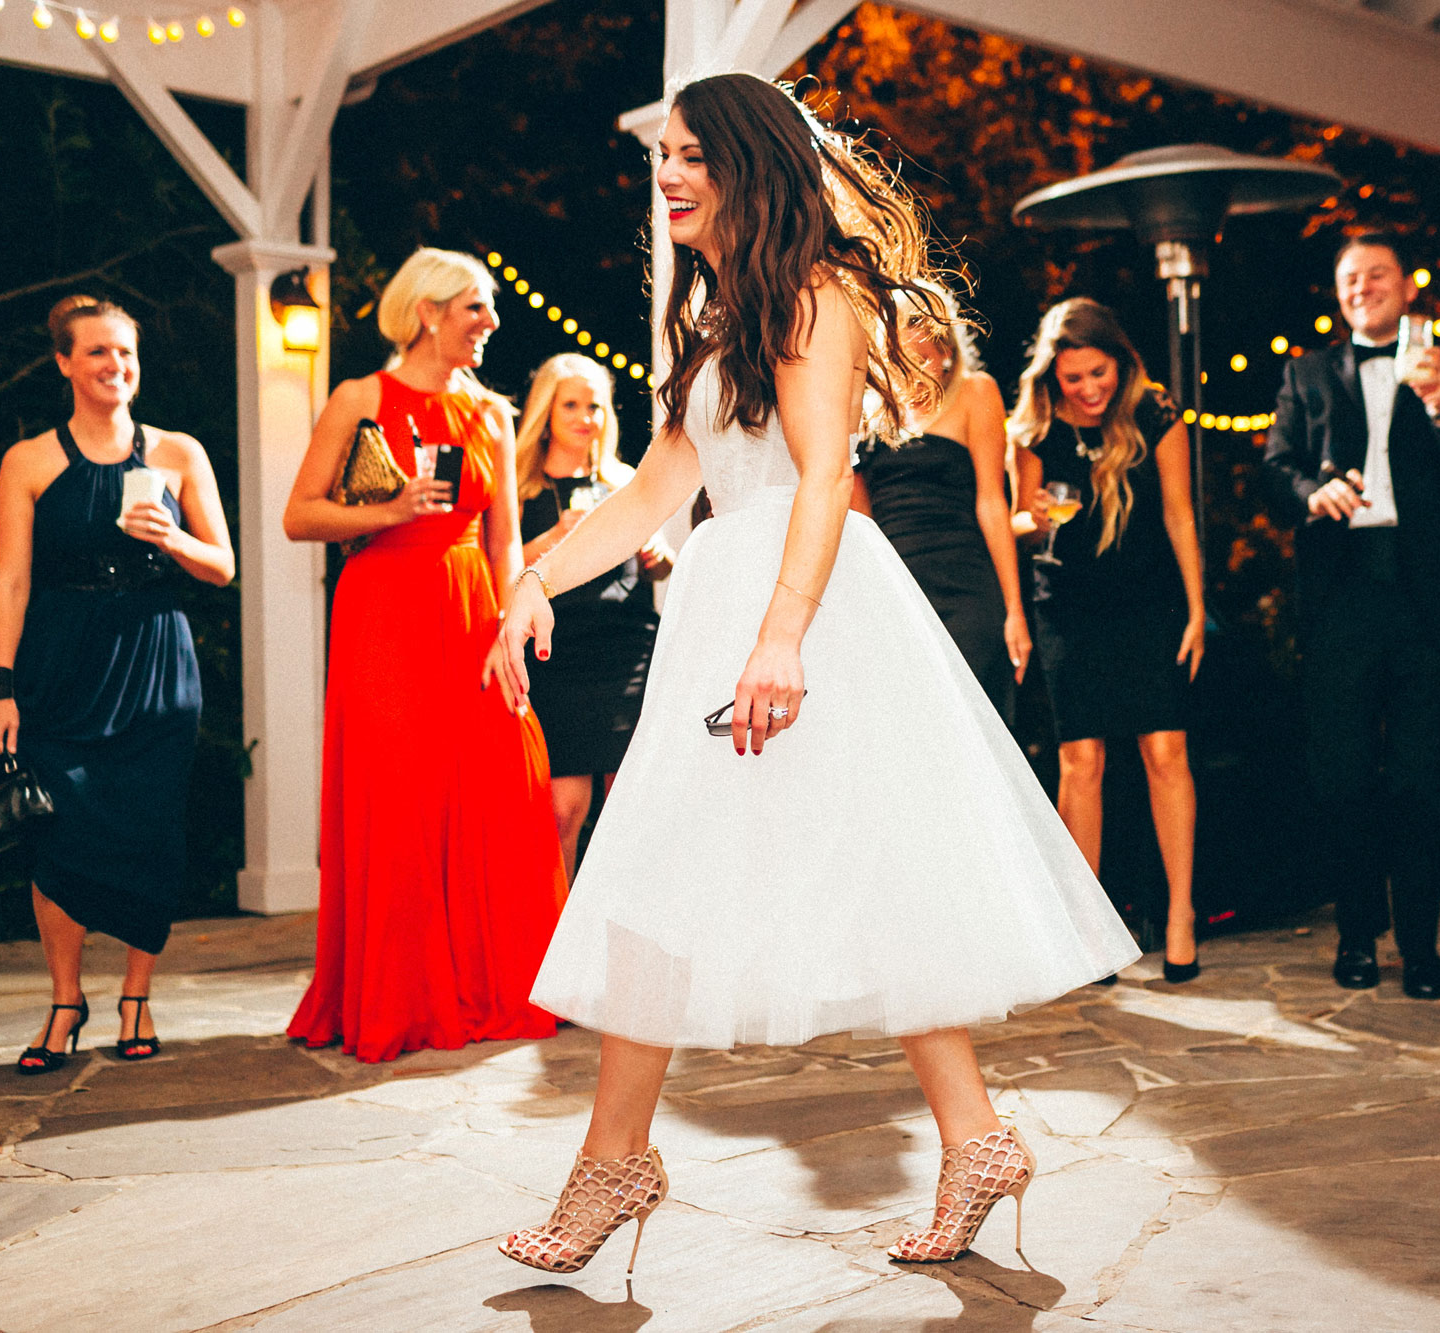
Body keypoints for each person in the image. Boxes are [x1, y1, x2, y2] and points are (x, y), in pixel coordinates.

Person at [489, 73, 1139, 1276]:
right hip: (731, 603)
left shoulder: (815, 293)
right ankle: (970, 1137)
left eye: (693, 154)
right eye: (664, 154)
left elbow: (824, 476)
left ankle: (622, 1163)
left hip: (802, 610)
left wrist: (781, 635)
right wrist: (537, 576)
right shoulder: (717, 306)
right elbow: (654, 487)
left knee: (687, 874)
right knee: (733, 877)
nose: (669, 175)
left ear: (750, 163)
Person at [282, 247, 566, 1064]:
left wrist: (515, 620)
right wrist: (389, 509)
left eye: (490, 309)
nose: (491, 323)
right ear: (429, 312)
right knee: (399, 797)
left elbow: (506, 539)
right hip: (384, 613)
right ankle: (399, 995)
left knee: (499, 787)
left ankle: (493, 983)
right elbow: (300, 515)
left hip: (473, 606)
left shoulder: (495, 415)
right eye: (475, 307)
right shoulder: (360, 397)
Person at [0, 295, 235, 1073]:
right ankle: (64, 999)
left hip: (155, 657)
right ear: (64, 362)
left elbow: (222, 566)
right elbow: (11, 581)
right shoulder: (29, 461)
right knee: (58, 828)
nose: (115, 366)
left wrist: (175, 535)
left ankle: (136, 996)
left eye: (125, 353)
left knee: (150, 826)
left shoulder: (179, 454)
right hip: (63, 659)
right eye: (97, 353)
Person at [1263, 233, 1440, 1002]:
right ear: (1340, 292)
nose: (1363, 287)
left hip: (1430, 601)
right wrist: (1309, 494)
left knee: (1425, 782)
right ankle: (1357, 936)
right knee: (1343, 778)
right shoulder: (1307, 372)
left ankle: (1421, 946)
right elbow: (1276, 466)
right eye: (1350, 279)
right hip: (1343, 596)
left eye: (1377, 275)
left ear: (1405, 284)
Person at [1008, 298, 1207, 984]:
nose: (1089, 389)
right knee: (1081, 763)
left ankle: (1181, 916)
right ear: (1053, 378)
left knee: (1165, 751)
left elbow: (1181, 515)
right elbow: (1017, 526)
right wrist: (1027, 518)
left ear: (1120, 365)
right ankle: (1089, 932)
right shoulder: (1033, 429)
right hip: (1069, 607)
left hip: (1150, 603)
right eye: (1074, 379)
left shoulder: (1156, 416)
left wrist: (1195, 608)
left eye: (1099, 373)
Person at [515, 353, 669, 880]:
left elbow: (660, 565)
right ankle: (559, 941)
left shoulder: (625, 483)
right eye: (572, 405)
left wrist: (655, 555)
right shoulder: (521, 491)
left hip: (625, 650)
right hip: (555, 656)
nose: (586, 417)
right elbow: (500, 570)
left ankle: (621, 931)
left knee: (628, 803)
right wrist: (556, 537)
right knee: (562, 810)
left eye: (596, 406)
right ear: (547, 413)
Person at [851, 284, 1029, 719]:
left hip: (966, 586)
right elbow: (859, 517)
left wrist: (1014, 610)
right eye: (907, 350)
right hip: (898, 591)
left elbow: (992, 502)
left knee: (975, 727)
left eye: (932, 345)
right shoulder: (867, 410)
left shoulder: (975, 392)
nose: (923, 359)